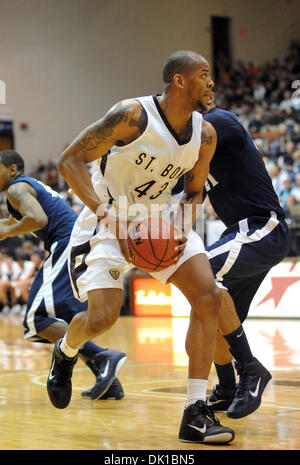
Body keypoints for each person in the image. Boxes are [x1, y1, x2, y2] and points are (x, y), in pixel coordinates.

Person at [49, 50, 270, 443]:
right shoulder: (132, 116)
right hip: (107, 219)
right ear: (179, 81)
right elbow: (69, 161)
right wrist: (108, 216)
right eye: (204, 75)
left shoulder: (206, 134)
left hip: (158, 221)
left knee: (208, 295)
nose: (212, 83)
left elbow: (194, 191)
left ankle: (194, 412)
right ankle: (66, 351)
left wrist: (183, 227)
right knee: (101, 318)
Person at [0, 149, 126, 401]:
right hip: (75, 240)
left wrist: (6, 231)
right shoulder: (27, 188)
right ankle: (108, 378)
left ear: (12, 169)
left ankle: (102, 357)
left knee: (37, 319)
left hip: (67, 241)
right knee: (65, 318)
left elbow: (37, 219)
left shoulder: (16, 189)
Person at [200, 92, 290, 413]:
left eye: (210, 79)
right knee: (207, 312)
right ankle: (226, 386)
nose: (210, 86)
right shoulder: (191, 141)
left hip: (262, 226)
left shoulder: (217, 122)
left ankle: (251, 368)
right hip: (240, 232)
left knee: (201, 272)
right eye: (204, 78)